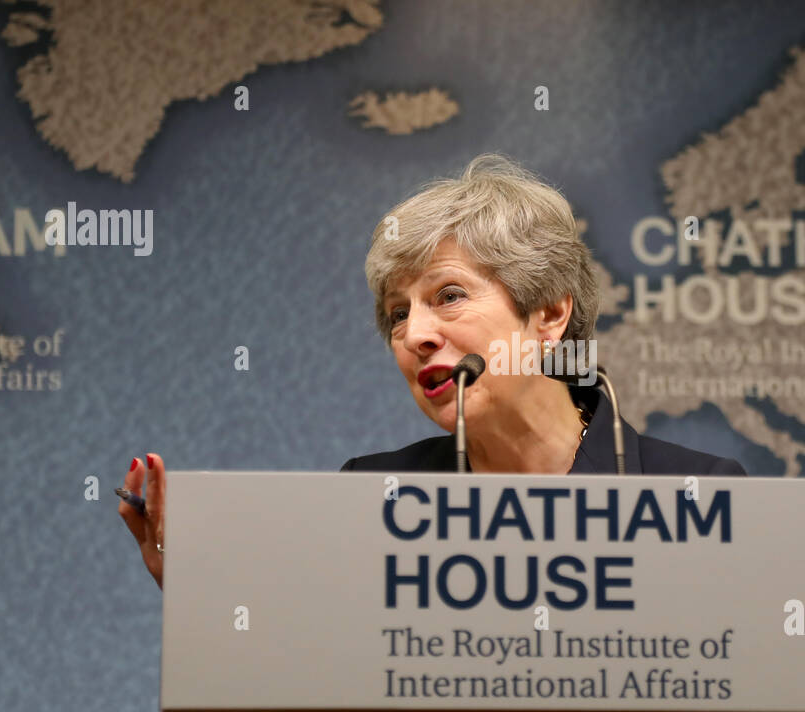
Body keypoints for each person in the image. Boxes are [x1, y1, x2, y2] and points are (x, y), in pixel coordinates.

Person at [121, 154, 745, 588]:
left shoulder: (696, 491)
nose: (414, 334)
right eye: (397, 313)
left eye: (448, 295)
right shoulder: (374, 495)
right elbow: (312, 689)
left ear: (550, 312)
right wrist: (200, 597)